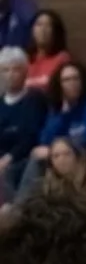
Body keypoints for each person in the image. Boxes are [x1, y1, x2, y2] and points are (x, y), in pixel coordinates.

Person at [21, 61, 86, 193]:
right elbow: (44, 139)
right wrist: (63, 114)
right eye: (66, 80)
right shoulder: (56, 110)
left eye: (76, 78)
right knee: (32, 159)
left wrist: (60, 148)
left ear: (83, 81)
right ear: (60, 85)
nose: (72, 83)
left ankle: (20, 208)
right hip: (60, 154)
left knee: (42, 160)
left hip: (85, 152)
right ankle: (21, 206)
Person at [0, 47, 48, 202]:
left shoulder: (35, 98)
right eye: (5, 70)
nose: (10, 75)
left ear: (26, 71)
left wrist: (9, 158)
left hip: (23, 159)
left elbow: (30, 135)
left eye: (16, 69)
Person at [25, 8, 69, 92]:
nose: (43, 30)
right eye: (39, 25)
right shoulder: (24, 59)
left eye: (48, 25)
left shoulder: (63, 59)